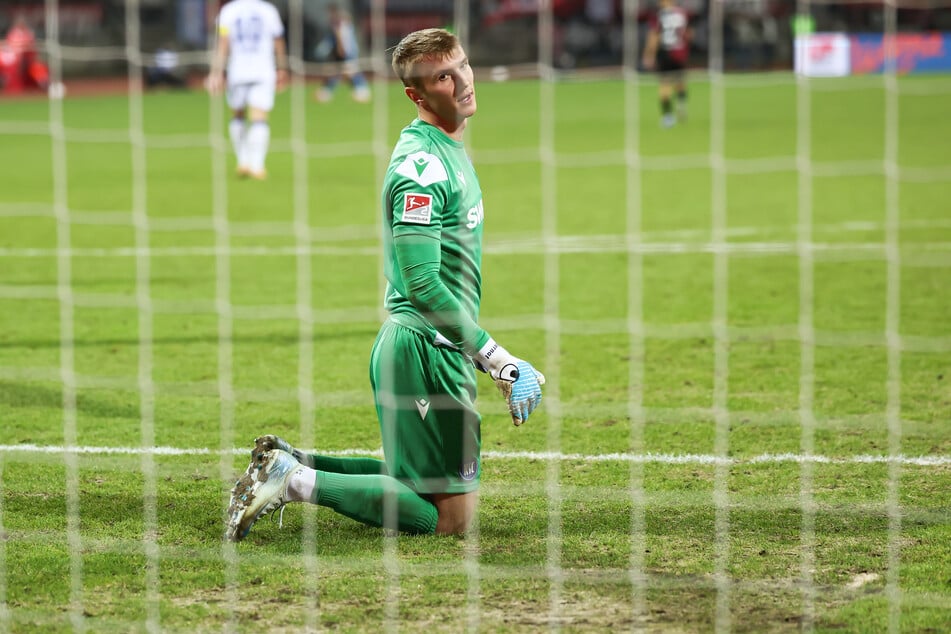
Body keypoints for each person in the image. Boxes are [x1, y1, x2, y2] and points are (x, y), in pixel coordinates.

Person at [226, 27, 546, 541]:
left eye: (461, 64)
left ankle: (288, 462)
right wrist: (499, 360)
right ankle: (295, 480)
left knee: (412, 485)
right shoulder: (421, 168)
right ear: (416, 94)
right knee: (448, 520)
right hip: (426, 349)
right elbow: (421, 281)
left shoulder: (445, 145)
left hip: (427, 347)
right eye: (444, 75)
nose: (462, 80)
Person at [206, 0, 288, 180]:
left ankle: (243, 161)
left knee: (238, 115)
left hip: (238, 70)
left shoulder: (229, 10)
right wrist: (282, 67)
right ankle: (257, 166)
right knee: (259, 117)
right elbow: (278, 40)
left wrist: (216, 72)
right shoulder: (268, 10)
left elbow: (223, 43)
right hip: (263, 70)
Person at [642, 0, 692, 128]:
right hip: (680, 52)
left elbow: (654, 35)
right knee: (680, 82)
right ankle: (681, 104)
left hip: (665, 52)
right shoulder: (682, 13)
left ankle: (668, 117)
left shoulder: (660, 15)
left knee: (664, 85)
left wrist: (649, 54)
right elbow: (688, 34)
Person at [314, 3, 370, 103]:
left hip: (346, 51)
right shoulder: (344, 21)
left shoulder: (337, 22)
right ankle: (327, 91)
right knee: (340, 71)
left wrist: (341, 49)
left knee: (347, 72)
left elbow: (340, 37)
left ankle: (361, 90)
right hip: (349, 50)